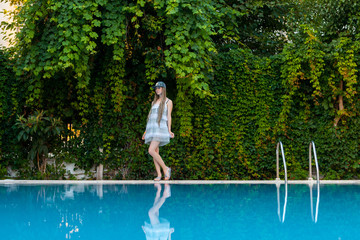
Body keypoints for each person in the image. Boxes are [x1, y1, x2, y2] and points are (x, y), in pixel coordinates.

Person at [142, 81, 174, 181]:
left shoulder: (168, 102)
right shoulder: (153, 102)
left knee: (151, 150)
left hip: (161, 129)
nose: (157, 90)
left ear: (163, 89)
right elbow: (150, 118)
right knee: (155, 151)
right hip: (152, 129)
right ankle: (159, 174)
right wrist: (146, 131)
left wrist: (169, 130)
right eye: (156, 88)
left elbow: (169, 116)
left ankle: (165, 168)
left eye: (159, 88)